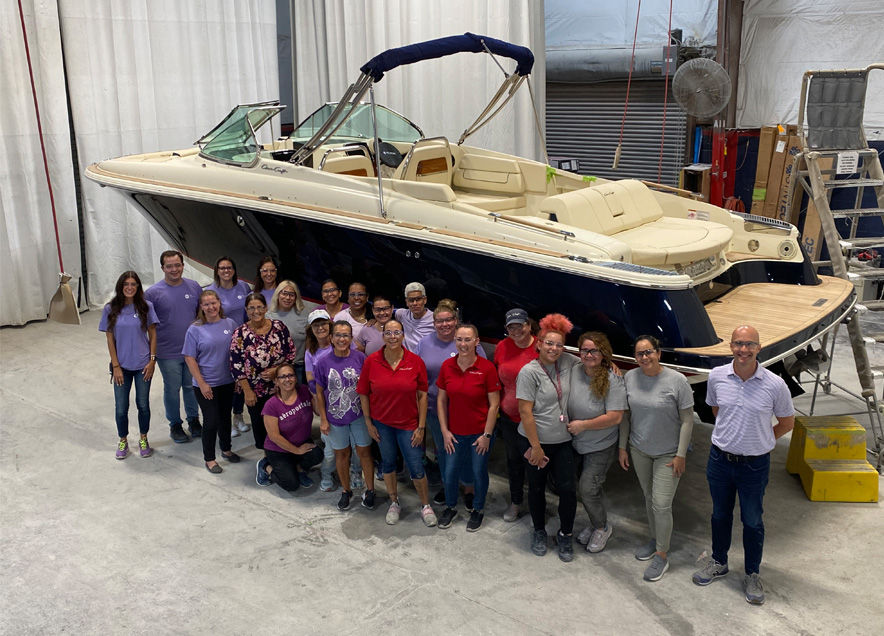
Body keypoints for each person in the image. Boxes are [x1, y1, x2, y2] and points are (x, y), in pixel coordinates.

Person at [691, 325, 795, 605]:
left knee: (752, 521)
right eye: (738, 343)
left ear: (759, 348)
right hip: (720, 460)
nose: (743, 349)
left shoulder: (775, 384)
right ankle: (719, 561)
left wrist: (760, 440)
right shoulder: (716, 377)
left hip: (755, 465)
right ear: (731, 347)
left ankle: (752, 573)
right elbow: (715, 410)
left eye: (750, 344)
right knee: (719, 515)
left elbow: (787, 423)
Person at [619, 335, 694, 582]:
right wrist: (623, 447)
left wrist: (681, 454)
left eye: (649, 352)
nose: (644, 357)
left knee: (661, 503)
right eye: (639, 354)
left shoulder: (677, 381)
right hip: (639, 449)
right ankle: (655, 538)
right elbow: (626, 417)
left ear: (659, 353)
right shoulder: (630, 378)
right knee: (649, 497)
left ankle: (662, 555)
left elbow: (686, 420)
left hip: (668, 454)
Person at [356, 319, 437, 527]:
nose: (392, 337)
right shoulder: (372, 361)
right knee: (389, 464)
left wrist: (420, 426)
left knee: (416, 466)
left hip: (408, 425)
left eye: (397, 333)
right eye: (388, 333)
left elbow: (422, 396)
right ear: (383, 336)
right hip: (382, 424)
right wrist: (369, 423)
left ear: (403, 336)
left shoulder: (414, 361)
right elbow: (364, 393)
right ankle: (394, 502)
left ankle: (425, 505)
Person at [516, 313, 580, 562]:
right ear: (539, 343)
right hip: (535, 442)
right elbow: (525, 412)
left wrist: (612, 364)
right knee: (536, 488)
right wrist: (536, 447)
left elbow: (592, 360)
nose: (554, 348)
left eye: (559, 344)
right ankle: (539, 531)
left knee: (567, 490)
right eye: (549, 343)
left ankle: (565, 534)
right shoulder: (529, 372)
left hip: (562, 441)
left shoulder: (567, 362)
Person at [416, 300, 487, 506]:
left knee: (466, 450)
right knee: (443, 449)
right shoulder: (424, 343)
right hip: (434, 408)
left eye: (449, 320)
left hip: (464, 410)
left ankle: (469, 487)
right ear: (434, 322)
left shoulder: (466, 341)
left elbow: (482, 371)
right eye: (440, 321)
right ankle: (449, 486)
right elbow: (420, 376)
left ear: (456, 321)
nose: (444, 324)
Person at [436, 324, 500, 532]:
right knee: (450, 471)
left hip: (478, 435)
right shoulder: (447, 366)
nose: (463, 344)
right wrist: (445, 431)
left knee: (478, 471)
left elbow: (494, 404)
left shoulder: (487, 368)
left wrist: (486, 435)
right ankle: (451, 507)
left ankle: (478, 510)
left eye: (467, 340)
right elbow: (441, 401)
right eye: (459, 340)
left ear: (476, 341)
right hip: (454, 433)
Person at [566, 331, 626, 553]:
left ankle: (602, 527)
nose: (589, 354)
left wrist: (583, 425)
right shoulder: (574, 369)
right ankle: (594, 522)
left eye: (594, 350)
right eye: (585, 350)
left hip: (600, 445)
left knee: (588, 488)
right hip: (574, 443)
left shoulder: (613, 379)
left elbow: (615, 417)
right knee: (587, 488)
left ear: (603, 353)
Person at [314, 321, 375, 511]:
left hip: (358, 415)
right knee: (342, 453)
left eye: (346, 335)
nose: (342, 339)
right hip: (335, 418)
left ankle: (371, 490)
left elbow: (367, 388)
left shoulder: (360, 358)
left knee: (364, 452)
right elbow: (319, 393)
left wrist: (369, 417)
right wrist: (323, 419)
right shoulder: (323, 362)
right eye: (338, 335)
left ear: (351, 338)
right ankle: (346, 490)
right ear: (331, 338)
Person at [144, 250, 203, 443]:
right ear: (162, 268)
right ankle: (175, 425)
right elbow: (147, 326)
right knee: (172, 388)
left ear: (182, 266)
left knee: (191, 386)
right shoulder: (152, 293)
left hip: (192, 351)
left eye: (177, 265)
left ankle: (193, 420)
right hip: (167, 351)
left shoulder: (194, 287)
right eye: (169, 266)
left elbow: (200, 317)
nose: (174, 269)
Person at [99, 271, 159, 460]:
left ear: (138, 287)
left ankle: (143, 439)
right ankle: (123, 440)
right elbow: (109, 338)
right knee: (121, 407)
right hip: (121, 367)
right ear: (120, 286)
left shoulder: (146, 307)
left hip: (143, 366)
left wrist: (152, 361)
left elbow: (153, 334)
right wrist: (116, 366)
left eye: (134, 284)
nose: (130, 287)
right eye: (126, 284)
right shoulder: (111, 309)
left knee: (143, 404)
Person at [230, 292, 297, 451]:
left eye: (259, 307)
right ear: (246, 310)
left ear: (266, 308)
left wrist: (276, 371)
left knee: (283, 423)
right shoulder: (240, 333)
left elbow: (290, 353)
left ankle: (286, 452)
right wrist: (247, 391)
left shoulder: (279, 327)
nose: (256, 311)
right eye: (251, 308)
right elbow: (236, 364)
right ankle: (266, 459)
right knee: (261, 427)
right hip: (254, 391)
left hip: (280, 388)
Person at [182, 290, 241, 473]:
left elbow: (237, 352)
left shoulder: (230, 324)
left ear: (219, 303)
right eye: (206, 304)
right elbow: (189, 358)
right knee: (211, 420)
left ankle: (226, 449)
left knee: (225, 417)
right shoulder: (195, 329)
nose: (211, 307)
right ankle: (209, 459)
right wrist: (202, 383)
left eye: (213, 302)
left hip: (227, 381)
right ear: (201, 307)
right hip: (206, 384)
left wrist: (238, 378)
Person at [493, 308, 538, 522]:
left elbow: (568, 364)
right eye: (511, 326)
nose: (516, 330)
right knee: (514, 462)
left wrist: (608, 362)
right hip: (510, 419)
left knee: (537, 464)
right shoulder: (502, 347)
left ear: (529, 325)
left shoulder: (541, 347)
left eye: (520, 325)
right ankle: (516, 502)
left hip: (536, 421)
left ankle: (539, 506)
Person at [255, 363, 324, 492]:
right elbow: (274, 437)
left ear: (295, 378)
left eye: (290, 375)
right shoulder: (271, 405)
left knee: (317, 455)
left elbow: (318, 413)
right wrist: (297, 450)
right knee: (291, 485)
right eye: (283, 377)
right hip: (279, 450)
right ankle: (266, 466)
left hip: (301, 442)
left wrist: (315, 395)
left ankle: (298, 468)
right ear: (276, 381)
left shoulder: (304, 391)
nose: (287, 379)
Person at [206, 256, 252, 437]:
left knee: (240, 380)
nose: (226, 271)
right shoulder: (211, 290)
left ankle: (238, 416)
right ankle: (224, 419)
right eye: (222, 268)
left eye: (229, 267)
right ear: (217, 271)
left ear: (234, 269)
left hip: (241, 342)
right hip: (221, 340)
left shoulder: (243, 287)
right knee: (225, 381)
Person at [268, 280, 310, 384]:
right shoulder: (268, 316)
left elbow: (310, 343)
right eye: (284, 293)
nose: (287, 298)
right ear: (278, 294)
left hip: (299, 368)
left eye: (291, 294)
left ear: (296, 297)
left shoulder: (305, 315)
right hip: (276, 370)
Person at [394, 281, 434, 351]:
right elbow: (384, 315)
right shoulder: (401, 314)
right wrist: (374, 321)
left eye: (418, 299)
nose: (415, 303)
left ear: (425, 300)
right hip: (407, 359)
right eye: (411, 300)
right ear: (406, 302)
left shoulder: (435, 319)